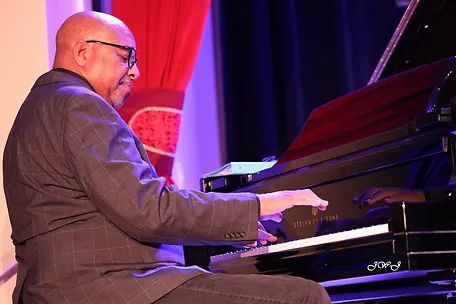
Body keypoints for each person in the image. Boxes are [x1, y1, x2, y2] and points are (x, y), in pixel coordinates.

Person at [3, 11, 331, 304]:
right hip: (107, 287)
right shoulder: (80, 104)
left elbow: (109, 218)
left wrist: (236, 228)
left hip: (59, 289)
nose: (136, 72)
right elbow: (149, 211)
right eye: (126, 57)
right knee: (304, 296)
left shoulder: (37, 108)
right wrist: (259, 205)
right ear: (82, 52)